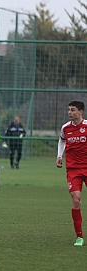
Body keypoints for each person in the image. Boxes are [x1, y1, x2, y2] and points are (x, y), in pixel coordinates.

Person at [56, 100, 87, 247]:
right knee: (76, 201)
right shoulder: (65, 128)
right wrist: (59, 156)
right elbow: (62, 141)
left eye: (73, 110)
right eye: (69, 110)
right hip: (73, 169)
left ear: (80, 112)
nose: (70, 112)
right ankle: (79, 237)